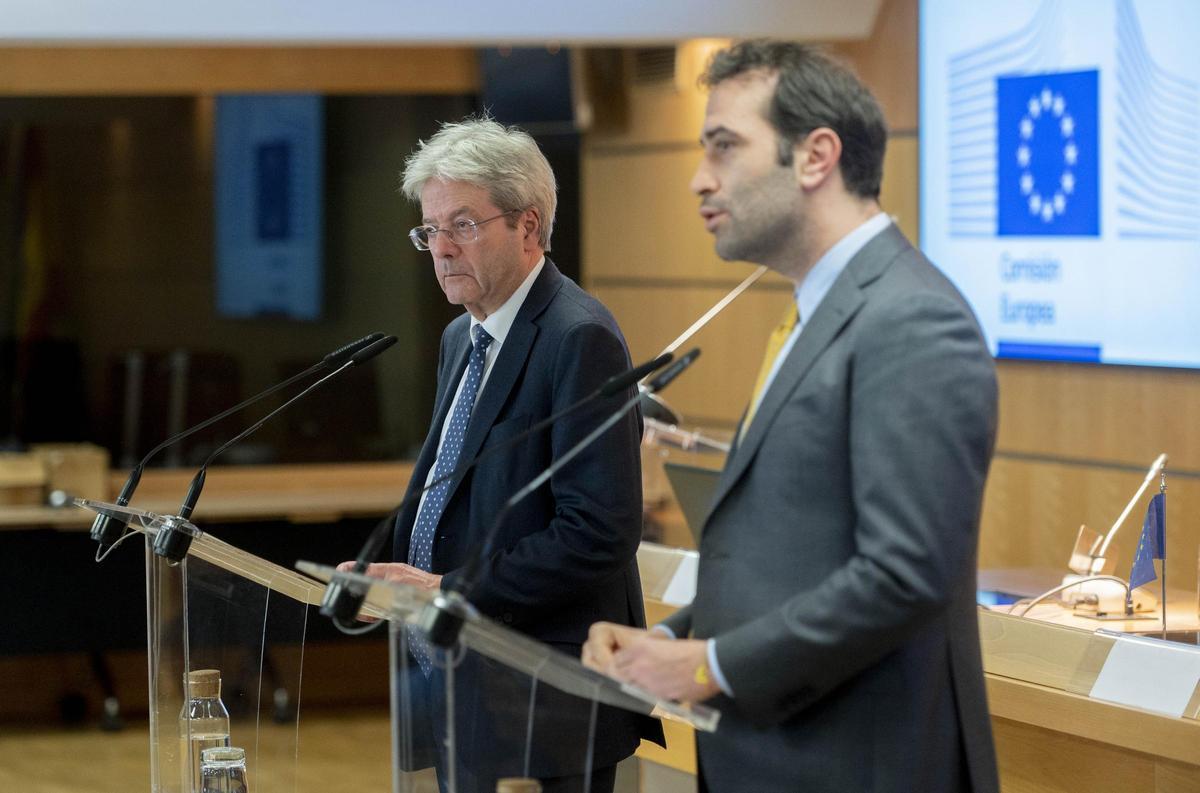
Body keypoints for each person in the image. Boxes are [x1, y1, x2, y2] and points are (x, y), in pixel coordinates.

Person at [582, 40, 1000, 792]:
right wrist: (670, 641)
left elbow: (903, 575)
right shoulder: (820, 313)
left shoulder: (911, 319)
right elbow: (792, 557)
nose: (699, 178)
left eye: (724, 146)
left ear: (815, 157)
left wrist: (711, 665)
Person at [344, 117, 660, 793]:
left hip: (543, 698)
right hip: (458, 678)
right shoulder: (462, 337)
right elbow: (457, 493)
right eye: (429, 230)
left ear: (528, 226)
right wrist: (396, 582)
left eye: (462, 224)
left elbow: (597, 533)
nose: (440, 248)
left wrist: (449, 590)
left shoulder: (578, 337)